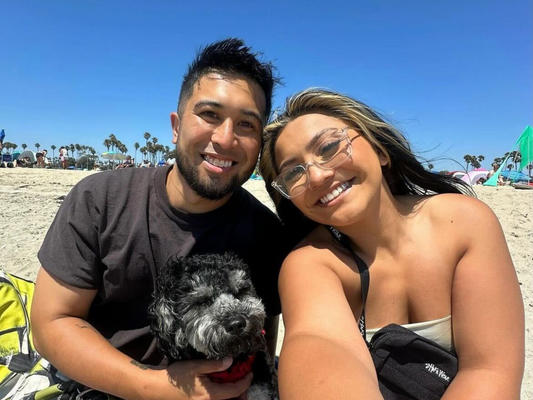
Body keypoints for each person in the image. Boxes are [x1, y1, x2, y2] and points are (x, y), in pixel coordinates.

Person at [31, 38, 286, 400]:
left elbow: (264, 333)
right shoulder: (99, 199)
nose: (226, 139)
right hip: (102, 387)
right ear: (176, 126)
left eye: (246, 125)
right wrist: (152, 387)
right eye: (210, 115)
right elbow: (51, 324)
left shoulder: (265, 232)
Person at [259, 89, 525, 399]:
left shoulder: (462, 224)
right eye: (294, 173)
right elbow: (316, 345)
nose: (316, 176)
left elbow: (489, 372)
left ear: (381, 152)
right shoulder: (311, 264)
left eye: (330, 146)